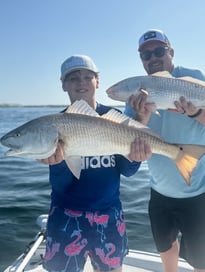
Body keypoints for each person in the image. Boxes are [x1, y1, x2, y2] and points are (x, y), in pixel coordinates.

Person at [125, 29, 205, 272]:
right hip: (160, 190)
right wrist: (142, 115)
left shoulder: (193, 78)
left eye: (159, 51)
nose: (153, 58)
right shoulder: (137, 92)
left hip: (199, 189)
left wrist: (195, 112)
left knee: (203, 261)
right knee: (165, 248)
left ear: (171, 52)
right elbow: (130, 137)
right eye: (146, 54)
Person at [40, 54, 151, 272]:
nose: (81, 83)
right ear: (63, 85)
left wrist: (136, 158)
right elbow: (61, 184)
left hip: (109, 213)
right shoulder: (54, 126)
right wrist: (59, 163)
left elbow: (127, 170)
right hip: (65, 214)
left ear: (97, 81)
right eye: (73, 78)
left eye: (87, 77)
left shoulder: (113, 117)